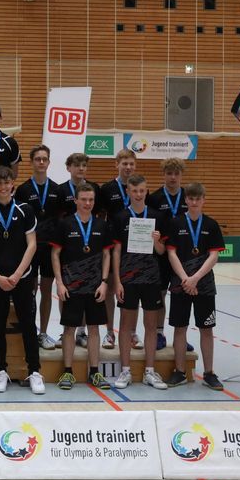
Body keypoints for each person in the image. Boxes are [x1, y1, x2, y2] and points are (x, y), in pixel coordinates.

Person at [0, 166, 45, 394]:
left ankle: (34, 371)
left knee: (28, 324)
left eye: (6, 183)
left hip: (22, 278)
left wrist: (17, 274)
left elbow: (32, 244)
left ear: (12, 184)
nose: (3, 187)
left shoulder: (25, 210)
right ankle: (1, 371)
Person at [50, 182, 112, 390]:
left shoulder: (101, 225)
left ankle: (94, 372)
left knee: (94, 328)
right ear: (75, 200)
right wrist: (59, 282)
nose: (87, 203)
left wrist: (104, 282)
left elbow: (106, 254)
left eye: (91, 200)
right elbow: (55, 254)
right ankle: (67, 372)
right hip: (71, 286)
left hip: (95, 286)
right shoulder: (65, 224)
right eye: (83, 199)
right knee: (69, 329)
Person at [165, 182, 225, 390]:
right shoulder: (175, 223)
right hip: (180, 283)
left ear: (203, 200)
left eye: (198, 199)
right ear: (186, 200)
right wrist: (185, 279)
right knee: (179, 328)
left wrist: (195, 278)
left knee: (206, 329)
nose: (194, 202)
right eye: (191, 199)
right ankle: (180, 372)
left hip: (205, 285)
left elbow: (214, 256)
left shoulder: (211, 224)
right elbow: (171, 253)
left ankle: (209, 373)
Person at [111, 174, 167, 390]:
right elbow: (116, 251)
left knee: (151, 326)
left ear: (146, 191)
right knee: (125, 325)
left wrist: (155, 241)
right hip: (128, 277)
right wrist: (117, 281)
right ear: (128, 192)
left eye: (142, 190)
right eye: (134, 191)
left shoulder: (156, 216)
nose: (138, 194)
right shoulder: (120, 217)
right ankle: (125, 370)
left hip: (151, 278)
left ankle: (150, 372)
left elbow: (162, 250)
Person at [56, 152, 107, 350]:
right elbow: (58, 217)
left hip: (91, 248)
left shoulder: (94, 188)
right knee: (67, 292)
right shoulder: (61, 190)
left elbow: (101, 214)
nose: (81, 168)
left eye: (84, 165)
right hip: (69, 246)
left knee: (89, 291)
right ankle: (66, 329)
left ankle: (82, 331)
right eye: (77, 165)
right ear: (69, 167)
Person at [15, 145, 63, 352]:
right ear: (32, 162)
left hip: (50, 249)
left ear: (49, 162)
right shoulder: (23, 190)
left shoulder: (57, 189)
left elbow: (62, 220)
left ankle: (43, 332)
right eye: (38, 159)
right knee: (30, 290)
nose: (41, 162)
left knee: (46, 289)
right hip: (30, 248)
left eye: (45, 159)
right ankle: (30, 330)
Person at [146, 158, 189, 352]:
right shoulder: (154, 198)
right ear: (163, 174)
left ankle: (181, 337)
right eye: (169, 173)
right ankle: (159, 333)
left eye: (176, 173)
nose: (173, 177)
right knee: (160, 294)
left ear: (181, 175)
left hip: (184, 254)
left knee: (182, 296)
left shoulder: (189, 197)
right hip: (161, 254)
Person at [99, 148, 139, 349]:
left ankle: (132, 332)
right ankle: (108, 333)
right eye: (124, 164)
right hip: (113, 245)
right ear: (117, 165)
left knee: (133, 291)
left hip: (135, 247)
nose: (128, 167)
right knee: (110, 292)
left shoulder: (140, 187)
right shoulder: (107, 189)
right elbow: (99, 216)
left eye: (131, 163)